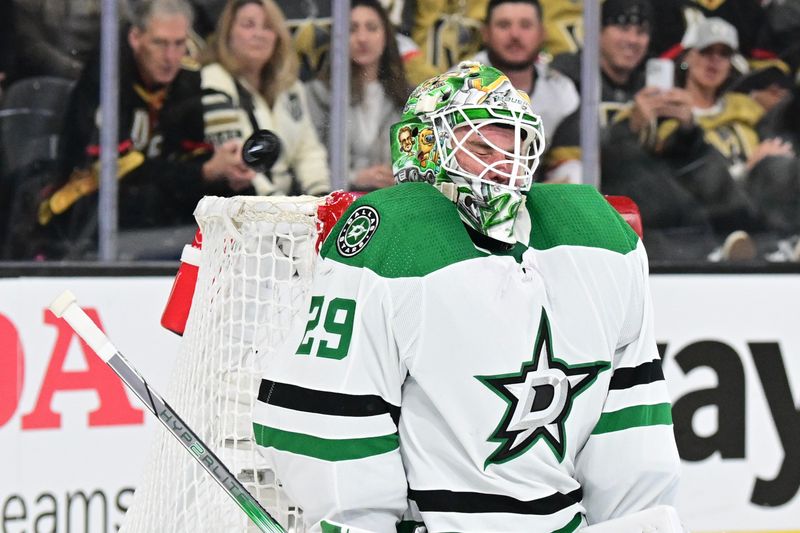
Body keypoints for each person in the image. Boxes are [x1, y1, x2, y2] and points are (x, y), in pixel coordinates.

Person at [253, 62, 681, 531]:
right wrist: (356, 523)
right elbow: (325, 417)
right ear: (422, 146)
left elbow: (632, 426)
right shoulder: (393, 238)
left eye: (516, 143)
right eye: (481, 143)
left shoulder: (599, 240)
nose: (507, 163)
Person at [31, 0, 251, 260]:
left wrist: (224, 166)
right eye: (160, 43)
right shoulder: (109, 74)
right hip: (93, 201)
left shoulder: (187, 76)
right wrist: (203, 171)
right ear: (136, 38)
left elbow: (190, 154)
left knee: (237, 195)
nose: (171, 57)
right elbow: (116, 168)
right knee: (148, 196)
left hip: (159, 193)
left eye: (179, 44)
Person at [201, 0, 330, 196]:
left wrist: (322, 197)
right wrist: (279, 208)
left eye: (268, 27)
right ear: (228, 34)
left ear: (278, 36)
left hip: (290, 206)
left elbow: (308, 151)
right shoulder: (214, 79)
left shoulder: (291, 87)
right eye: (248, 25)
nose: (258, 34)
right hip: (247, 205)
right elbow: (236, 159)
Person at [305, 0, 410, 192]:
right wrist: (354, 178)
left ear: (386, 36)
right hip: (336, 202)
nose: (362, 38)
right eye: (352, 29)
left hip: (392, 205)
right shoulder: (316, 94)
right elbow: (307, 162)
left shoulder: (407, 98)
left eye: (371, 28)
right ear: (338, 37)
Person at [471, 0, 581, 182]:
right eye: (504, 25)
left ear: (542, 33)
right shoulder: (459, 84)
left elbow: (567, 169)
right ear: (486, 33)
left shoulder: (562, 91)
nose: (515, 34)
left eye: (526, 25)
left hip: (534, 195)